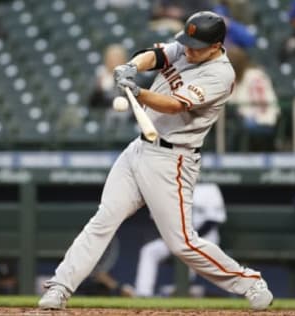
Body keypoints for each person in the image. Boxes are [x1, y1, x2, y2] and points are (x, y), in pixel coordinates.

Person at [38, 11, 273, 311]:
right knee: (103, 220)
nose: (189, 50)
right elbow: (157, 55)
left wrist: (139, 91)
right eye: (188, 43)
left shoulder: (220, 74)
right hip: (140, 148)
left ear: (216, 46)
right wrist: (130, 67)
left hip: (172, 159)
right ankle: (60, 287)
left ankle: (249, 282)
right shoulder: (190, 47)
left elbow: (175, 105)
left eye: (197, 46)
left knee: (182, 243)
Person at [134, 183, 226, 297]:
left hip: (204, 238)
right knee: (149, 251)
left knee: (190, 249)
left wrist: (189, 238)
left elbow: (213, 221)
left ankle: (184, 290)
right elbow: (158, 218)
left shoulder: (209, 189)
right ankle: (143, 294)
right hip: (176, 237)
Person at [227, 47, 280, 152]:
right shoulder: (255, 74)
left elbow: (234, 102)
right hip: (267, 119)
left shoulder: (251, 76)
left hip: (258, 121)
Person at [88, 44, 132, 129]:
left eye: (117, 58)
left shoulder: (131, 75)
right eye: (111, 58)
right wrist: (98, 89)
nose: (114, 61)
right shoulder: (101, 75)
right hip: (105, 113)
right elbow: (92, 103)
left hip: (127, 113)